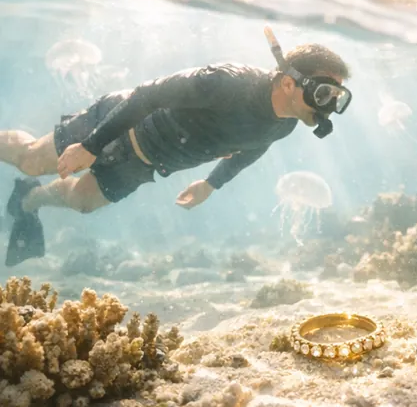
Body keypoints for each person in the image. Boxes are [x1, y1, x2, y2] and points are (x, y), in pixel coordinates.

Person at [0, 28, 352, 266]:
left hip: (143, 165)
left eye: (336, 99)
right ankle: (30, 177)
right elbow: (148, 95)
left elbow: (253, 148)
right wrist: (92, 145)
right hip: (118, 125)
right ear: (289, 83)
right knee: (31, 160)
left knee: (82, 203)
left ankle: (30, 198)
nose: (327, 108)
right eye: (323, 94)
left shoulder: (285, 125)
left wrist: (211, 184)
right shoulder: (227, 82)